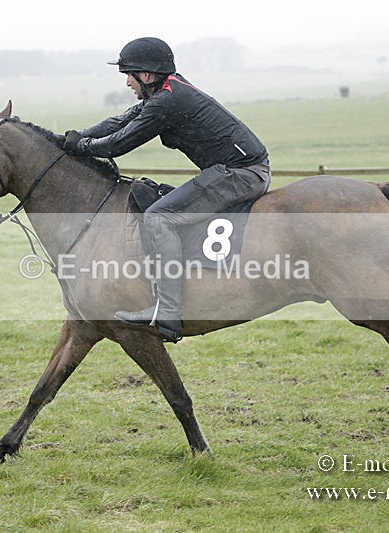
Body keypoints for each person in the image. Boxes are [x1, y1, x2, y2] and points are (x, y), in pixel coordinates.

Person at [62, 37, 271, 342]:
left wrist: (82, 146)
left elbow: (119, 143)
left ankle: (168, 312)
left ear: (146, 75)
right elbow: (120, 121)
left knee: (158, 217)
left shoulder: (167, 100)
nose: (127, 84)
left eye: (128, 76)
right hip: (232, 170)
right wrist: (71, 138)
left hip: (242, 173)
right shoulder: (167, 90)